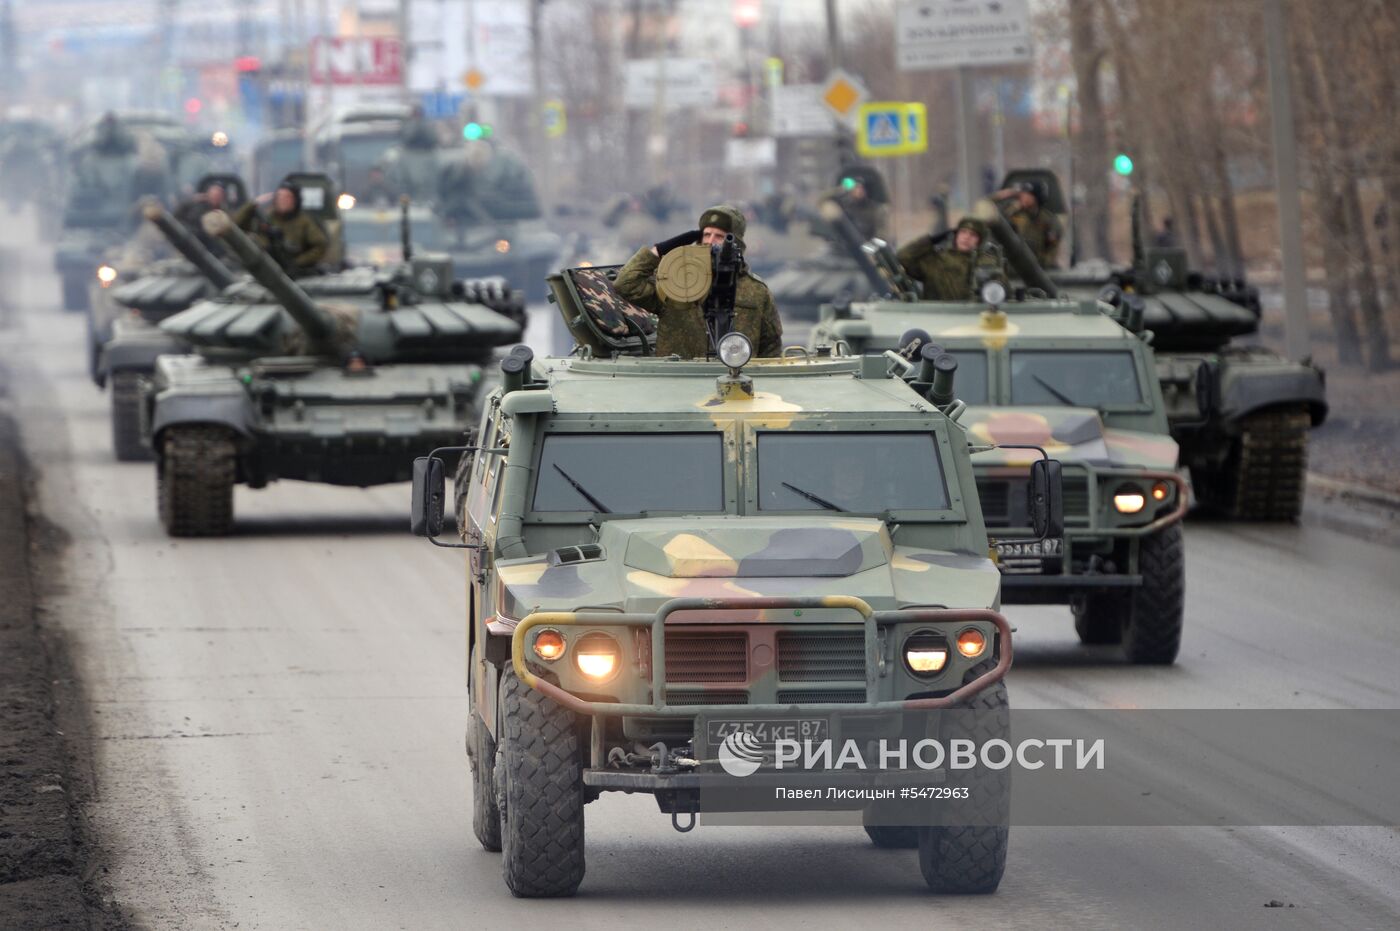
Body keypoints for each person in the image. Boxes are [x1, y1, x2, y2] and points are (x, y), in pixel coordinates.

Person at [613, 204, 783, 359]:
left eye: (719, 236)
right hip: (678, 380)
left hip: (733, 383)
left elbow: (771, 347)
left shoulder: (756, 291)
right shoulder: (675, 281)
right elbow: (626, 284)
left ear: (735, 244)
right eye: (706, 235)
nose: (710, 241)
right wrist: (660, 249)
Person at [896, 217, 1009, 301]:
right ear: (956, 235)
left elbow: (1002, 291)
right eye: (963, 232)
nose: (966, 237)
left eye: (973, 235)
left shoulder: (988, 263)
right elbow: (903, 257)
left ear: (980, 241)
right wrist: (931, 240)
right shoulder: (936, 260)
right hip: (938, 317)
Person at [232, 182, 328, 276]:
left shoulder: (304, 222)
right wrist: (252, 205)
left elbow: (320, 246)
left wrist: (298, 262)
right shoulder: (267, 218)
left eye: (287, 197)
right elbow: (235, 226)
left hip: (294, 271)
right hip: (267, 269)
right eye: (279, 196)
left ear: (295, 200)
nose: (282, 200)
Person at [990, 180, 1062, 269]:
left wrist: (1044, 263)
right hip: (1011, 266)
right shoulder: (1011, 213)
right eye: (1022, 194)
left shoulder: (1048, 220)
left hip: (1036, 268)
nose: (1022, 197)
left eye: (1027, 195)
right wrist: (1004, 194)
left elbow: (1052, 246)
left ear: (1036, 198)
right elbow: (986, 207)